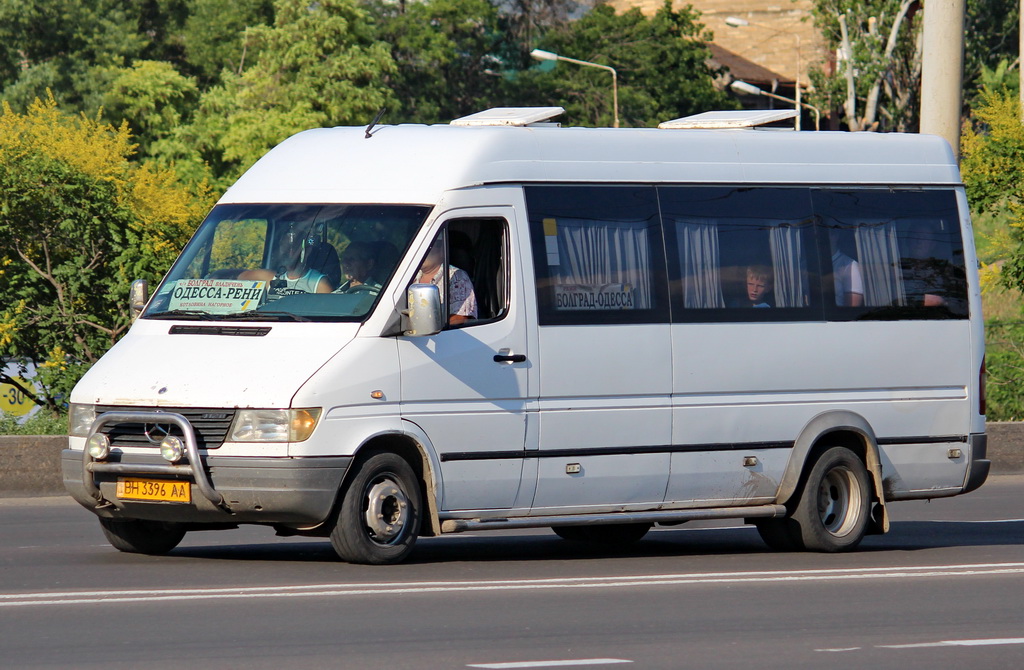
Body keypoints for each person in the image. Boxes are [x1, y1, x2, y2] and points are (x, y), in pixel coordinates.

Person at [240, 228, 332, 295]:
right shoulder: (271, 278)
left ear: (307, 251)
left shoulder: (319, 283)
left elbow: (325, 316)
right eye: (283, 248)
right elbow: (239, 278)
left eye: (292, 248)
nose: (286, 252)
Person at [416, 238, 477, 325]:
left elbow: (460, 318)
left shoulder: (457, 277)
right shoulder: (409, 277)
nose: (421, 253)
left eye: (427, 248)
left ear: (441, 251)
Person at [829, 229, 864, 307]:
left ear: (835, 236)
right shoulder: (804, 265)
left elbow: (852, 308)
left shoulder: (850, 265)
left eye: (829, 234)